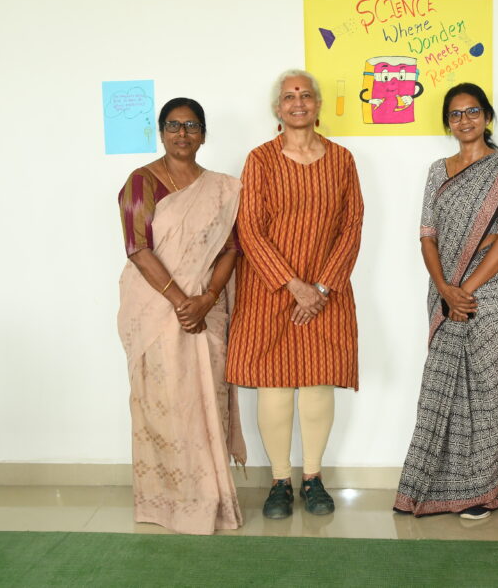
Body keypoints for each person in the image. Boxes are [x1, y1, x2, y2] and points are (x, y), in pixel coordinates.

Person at [226, 69, 364, 520]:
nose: (298, 102)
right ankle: (280, 481)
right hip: (270, 290)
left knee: (319, 380)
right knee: (275, 383)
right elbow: (250, 228)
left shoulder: (342, 159)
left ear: (318, 105)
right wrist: (294, 285)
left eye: (306, 95)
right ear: (277, 109)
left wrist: (320, 288)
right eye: (289, 96)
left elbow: (351, 227)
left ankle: (313, 478)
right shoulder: (260, 159)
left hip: (327, 291)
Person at [394, 83, 498, 519]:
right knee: (444, 389)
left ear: (487, 117)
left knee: (488, 391)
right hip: (445, 294)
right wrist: (445, 288)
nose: (464, 120)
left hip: (492, 297)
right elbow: (426, 235)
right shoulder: (439, 170)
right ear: (447, 122)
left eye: (472, 112)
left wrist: (465, 290)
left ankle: (485, 491)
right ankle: (435, 485)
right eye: (455, 114)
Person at [116, 97, 246, 535]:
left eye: (191, 126)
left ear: (203, 135)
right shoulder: (140, 182)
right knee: (164, 407)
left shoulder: (224, 189)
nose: (182, 134)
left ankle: (210, 499)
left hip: (205, 313)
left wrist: (206, 299)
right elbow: (138, 249)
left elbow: (231, 249)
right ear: (161, 132)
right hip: (155, 310)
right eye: (173, 125)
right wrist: (180, 301)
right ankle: (165, 503)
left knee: (205, 403)